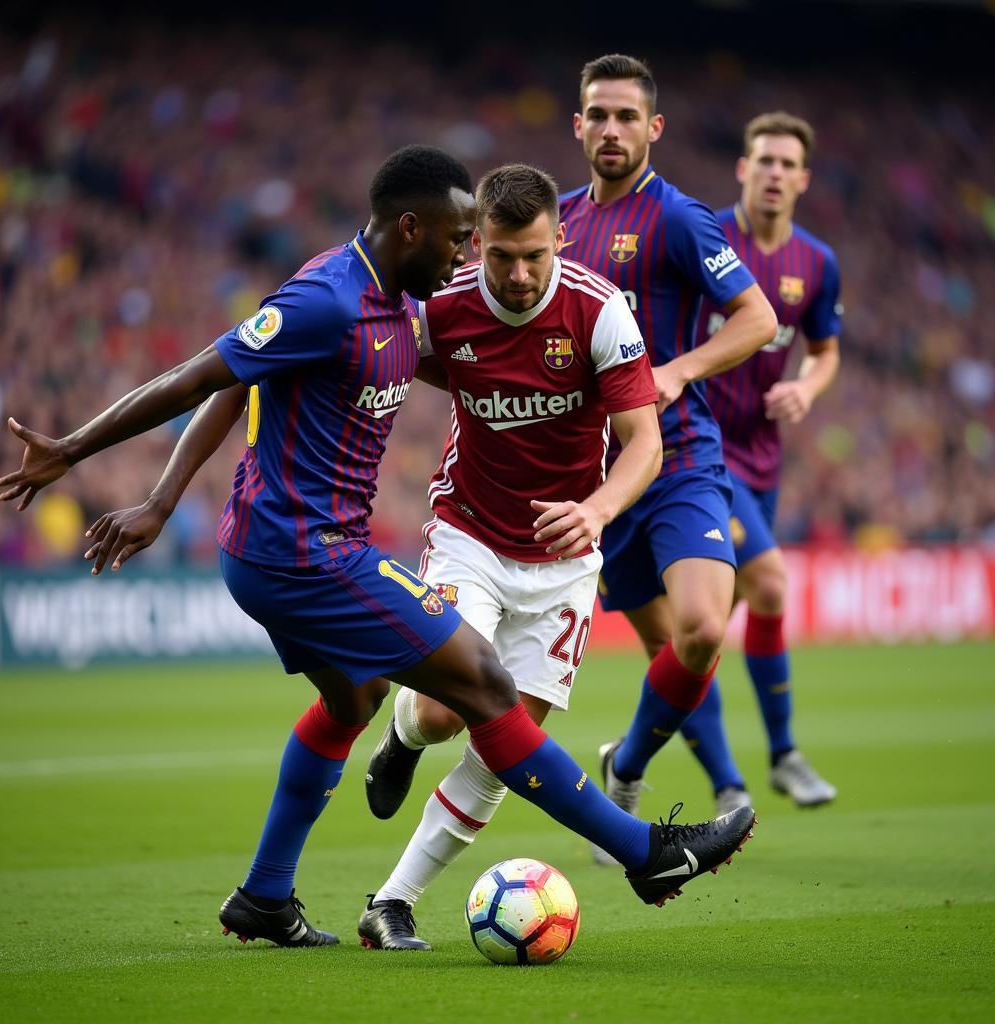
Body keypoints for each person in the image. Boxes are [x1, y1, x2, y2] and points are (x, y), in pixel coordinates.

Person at [0, 145, 755, 947]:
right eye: (464, 240)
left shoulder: (407, 304)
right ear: (412, 227)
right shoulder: (331, 298)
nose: (470, 259)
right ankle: (646, 854)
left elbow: (249, 377)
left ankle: (264, 897)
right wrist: (91, 460)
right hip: (307, 555)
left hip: (294, 550)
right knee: (484, 685)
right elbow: (209, 374)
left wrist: (159, 500)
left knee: (350, 701)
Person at [356, 162, 664, 950]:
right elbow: (379, 363)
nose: (521, 274)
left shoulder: (600, 312)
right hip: (471, 537)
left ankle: (390, 902)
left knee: (504, 752)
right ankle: (402, 734)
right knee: (441, 710)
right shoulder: (443, 313)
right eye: (502, 257)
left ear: (560, 238)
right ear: (475, 247)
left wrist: (596, 509)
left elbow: (645, 443)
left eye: (535, 255)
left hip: (566, 560)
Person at [556, 55, 778, 864]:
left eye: (626, 117)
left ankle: (626, 766)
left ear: (653, 128)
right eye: (597, 115)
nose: (611, 130)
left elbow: (754, 318)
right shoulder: (557, 223)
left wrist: (679, 370)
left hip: (679, 458)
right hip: (598, 478)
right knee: (666, 651)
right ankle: (648, 769)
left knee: (700, 630)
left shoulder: (678, 218)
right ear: (578, 126)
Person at [679, 112, 841, 813]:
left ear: (803, 179)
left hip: (764, 462)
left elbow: (827, 348)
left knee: (701, 632)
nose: (774, 172)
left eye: (787, 163)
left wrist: (806, 384)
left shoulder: (817, 263)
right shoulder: (704, 239)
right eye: (763, 160)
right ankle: (783, 755)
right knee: (771, 585)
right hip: (701, 454)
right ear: (743, 168)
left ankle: (633, 752)